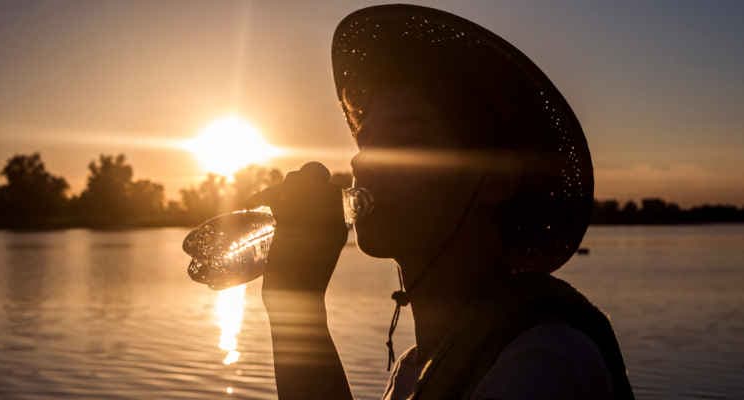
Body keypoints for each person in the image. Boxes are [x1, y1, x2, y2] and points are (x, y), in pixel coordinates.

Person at [252, 5, 635, 400]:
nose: (362, 161)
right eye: (366, 142)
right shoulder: (415, 370)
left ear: (496, 178)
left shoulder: (546, 361)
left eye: (404, 140)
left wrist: (299, 310)